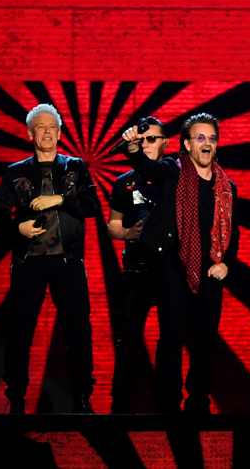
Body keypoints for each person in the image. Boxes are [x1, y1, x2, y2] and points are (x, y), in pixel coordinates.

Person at [122, 113, 239, 414]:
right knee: (171, 338)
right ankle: (168, 404)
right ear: (187, 144)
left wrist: (227, 264)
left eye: (211, 139)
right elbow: (145, 166)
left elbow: (233, 232)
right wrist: (134, 147)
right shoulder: (172, 173)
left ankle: (198, 402)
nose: (207, 144)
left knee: (205, 341)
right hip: (173, 266)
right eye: (200, 138)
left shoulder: (227, 187)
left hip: (210, 271)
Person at [0, 103, 99, 414]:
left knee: (78, 329)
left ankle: (82, 396)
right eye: (41, 127)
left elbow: (92, 205)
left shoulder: (75, 167)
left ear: (61, 133)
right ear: (30, 134)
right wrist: (17, 229)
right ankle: (16, 397)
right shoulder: (15, 172)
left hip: (68, 262)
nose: (48, 131)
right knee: (20, 330)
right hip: (29, 262)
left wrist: (61, 199)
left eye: (53, 126)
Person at [107, 117, 168, 413]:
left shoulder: (176, 175)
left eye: (154, 139)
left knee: (171, 338)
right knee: (128, 337)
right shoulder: (123, 183)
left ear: (166, 142)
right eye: (143, 140)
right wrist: (128, 233)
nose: (148, 145)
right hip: (136, 267)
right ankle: (120, 405)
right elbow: (113, 225)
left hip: (170, 269)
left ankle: (167, 406)